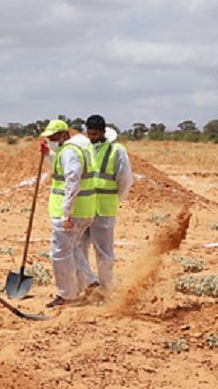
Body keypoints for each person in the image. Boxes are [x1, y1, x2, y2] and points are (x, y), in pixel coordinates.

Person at [39, 119, 95, 308]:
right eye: (49, 138)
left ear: (64, 135)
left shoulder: (70, 152)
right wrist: (47, 154)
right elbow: (59, 168)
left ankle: (67, 295)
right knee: (73, 248)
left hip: (72, 212)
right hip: (83, 210)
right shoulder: (72, 150)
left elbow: (73, 179)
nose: (51, 140)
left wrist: (66, 212)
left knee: (60, 253)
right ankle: (91, 283)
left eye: (54, 137)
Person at [77, 115, 134, 299]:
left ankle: (106, 290)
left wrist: (115, 200)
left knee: (104, 252)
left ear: (103, 132)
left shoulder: (116, 151)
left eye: (95, 134)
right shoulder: (85, 148)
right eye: (89, 133)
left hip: (104, 208)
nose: (91, 136)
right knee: (77, 246)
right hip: (85, 207)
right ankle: (88, 284)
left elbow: (124, 180)